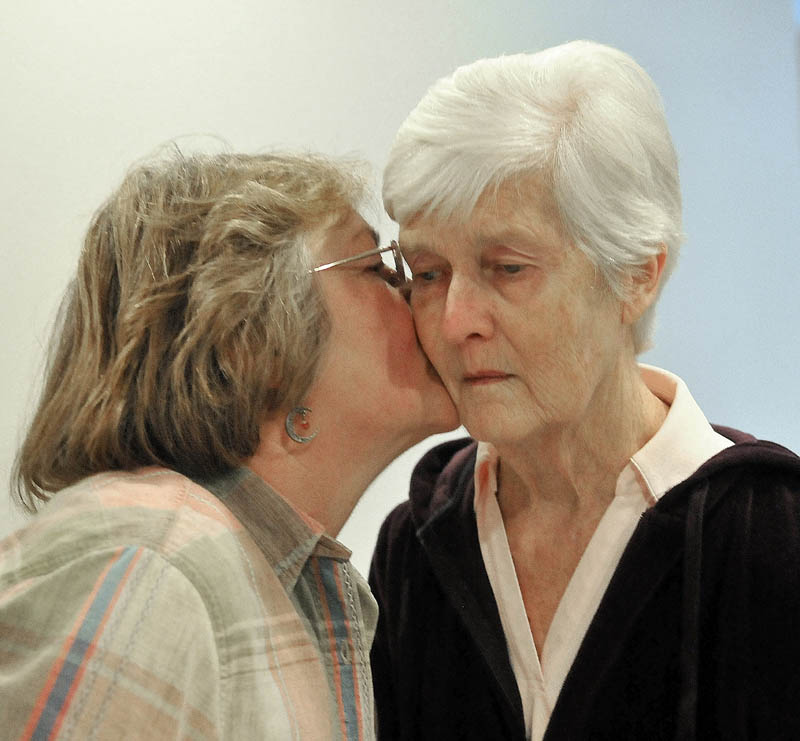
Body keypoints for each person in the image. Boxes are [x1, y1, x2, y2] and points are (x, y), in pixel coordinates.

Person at [368, 40, 800, 740]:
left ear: (637, 273)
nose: (454, 322)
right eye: (429, 272)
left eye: (506, 268)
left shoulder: (768, 532)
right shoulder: (416, 551)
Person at [0, 150, 457, 739]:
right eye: (375, 267)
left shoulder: (267, 579)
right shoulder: (151, 566)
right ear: (250, 340)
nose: (419, 297)